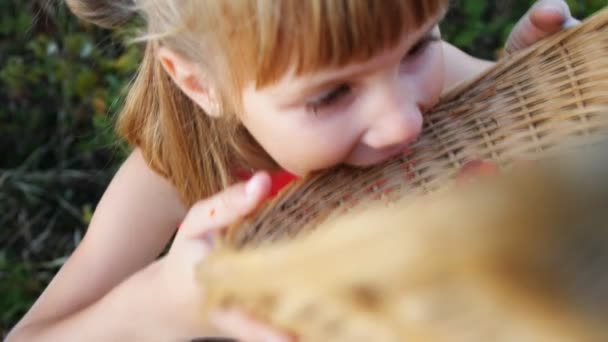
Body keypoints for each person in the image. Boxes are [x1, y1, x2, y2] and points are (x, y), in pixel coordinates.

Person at [7, 0, 579, 341]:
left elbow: (522, 158)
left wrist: (519, 89)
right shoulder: (176, 174)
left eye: (418, 47)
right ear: (200, 84)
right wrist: (163, 301)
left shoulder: (429, 80)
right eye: (331, 95)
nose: (402, 122)